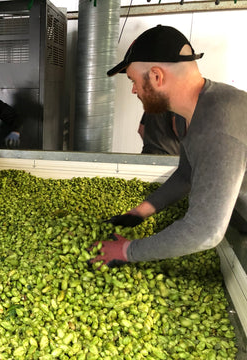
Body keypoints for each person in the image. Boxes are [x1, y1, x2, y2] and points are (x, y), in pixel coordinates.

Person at [90, 24, 247, 267]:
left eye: (133, 81)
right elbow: (187, 174)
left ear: (156, 76)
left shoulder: (218, 125)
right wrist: (141, 211)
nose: (133, 90)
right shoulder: (197, 110)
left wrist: (126, 250)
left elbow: (204, 232)